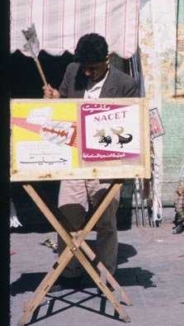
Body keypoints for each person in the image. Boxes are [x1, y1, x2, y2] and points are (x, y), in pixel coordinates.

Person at [43, 33, 139, 286]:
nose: (87, 73)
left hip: (107, 164)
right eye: (84, 68)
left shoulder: (126, 84)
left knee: (105, 220)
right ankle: (69, 270)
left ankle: (105, 273)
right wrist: (54, 100)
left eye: (93, 68)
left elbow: (131, 126)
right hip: (73, 161)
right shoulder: (72, 71)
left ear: (107, 59)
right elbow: (61, 108)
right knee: (68, 215)